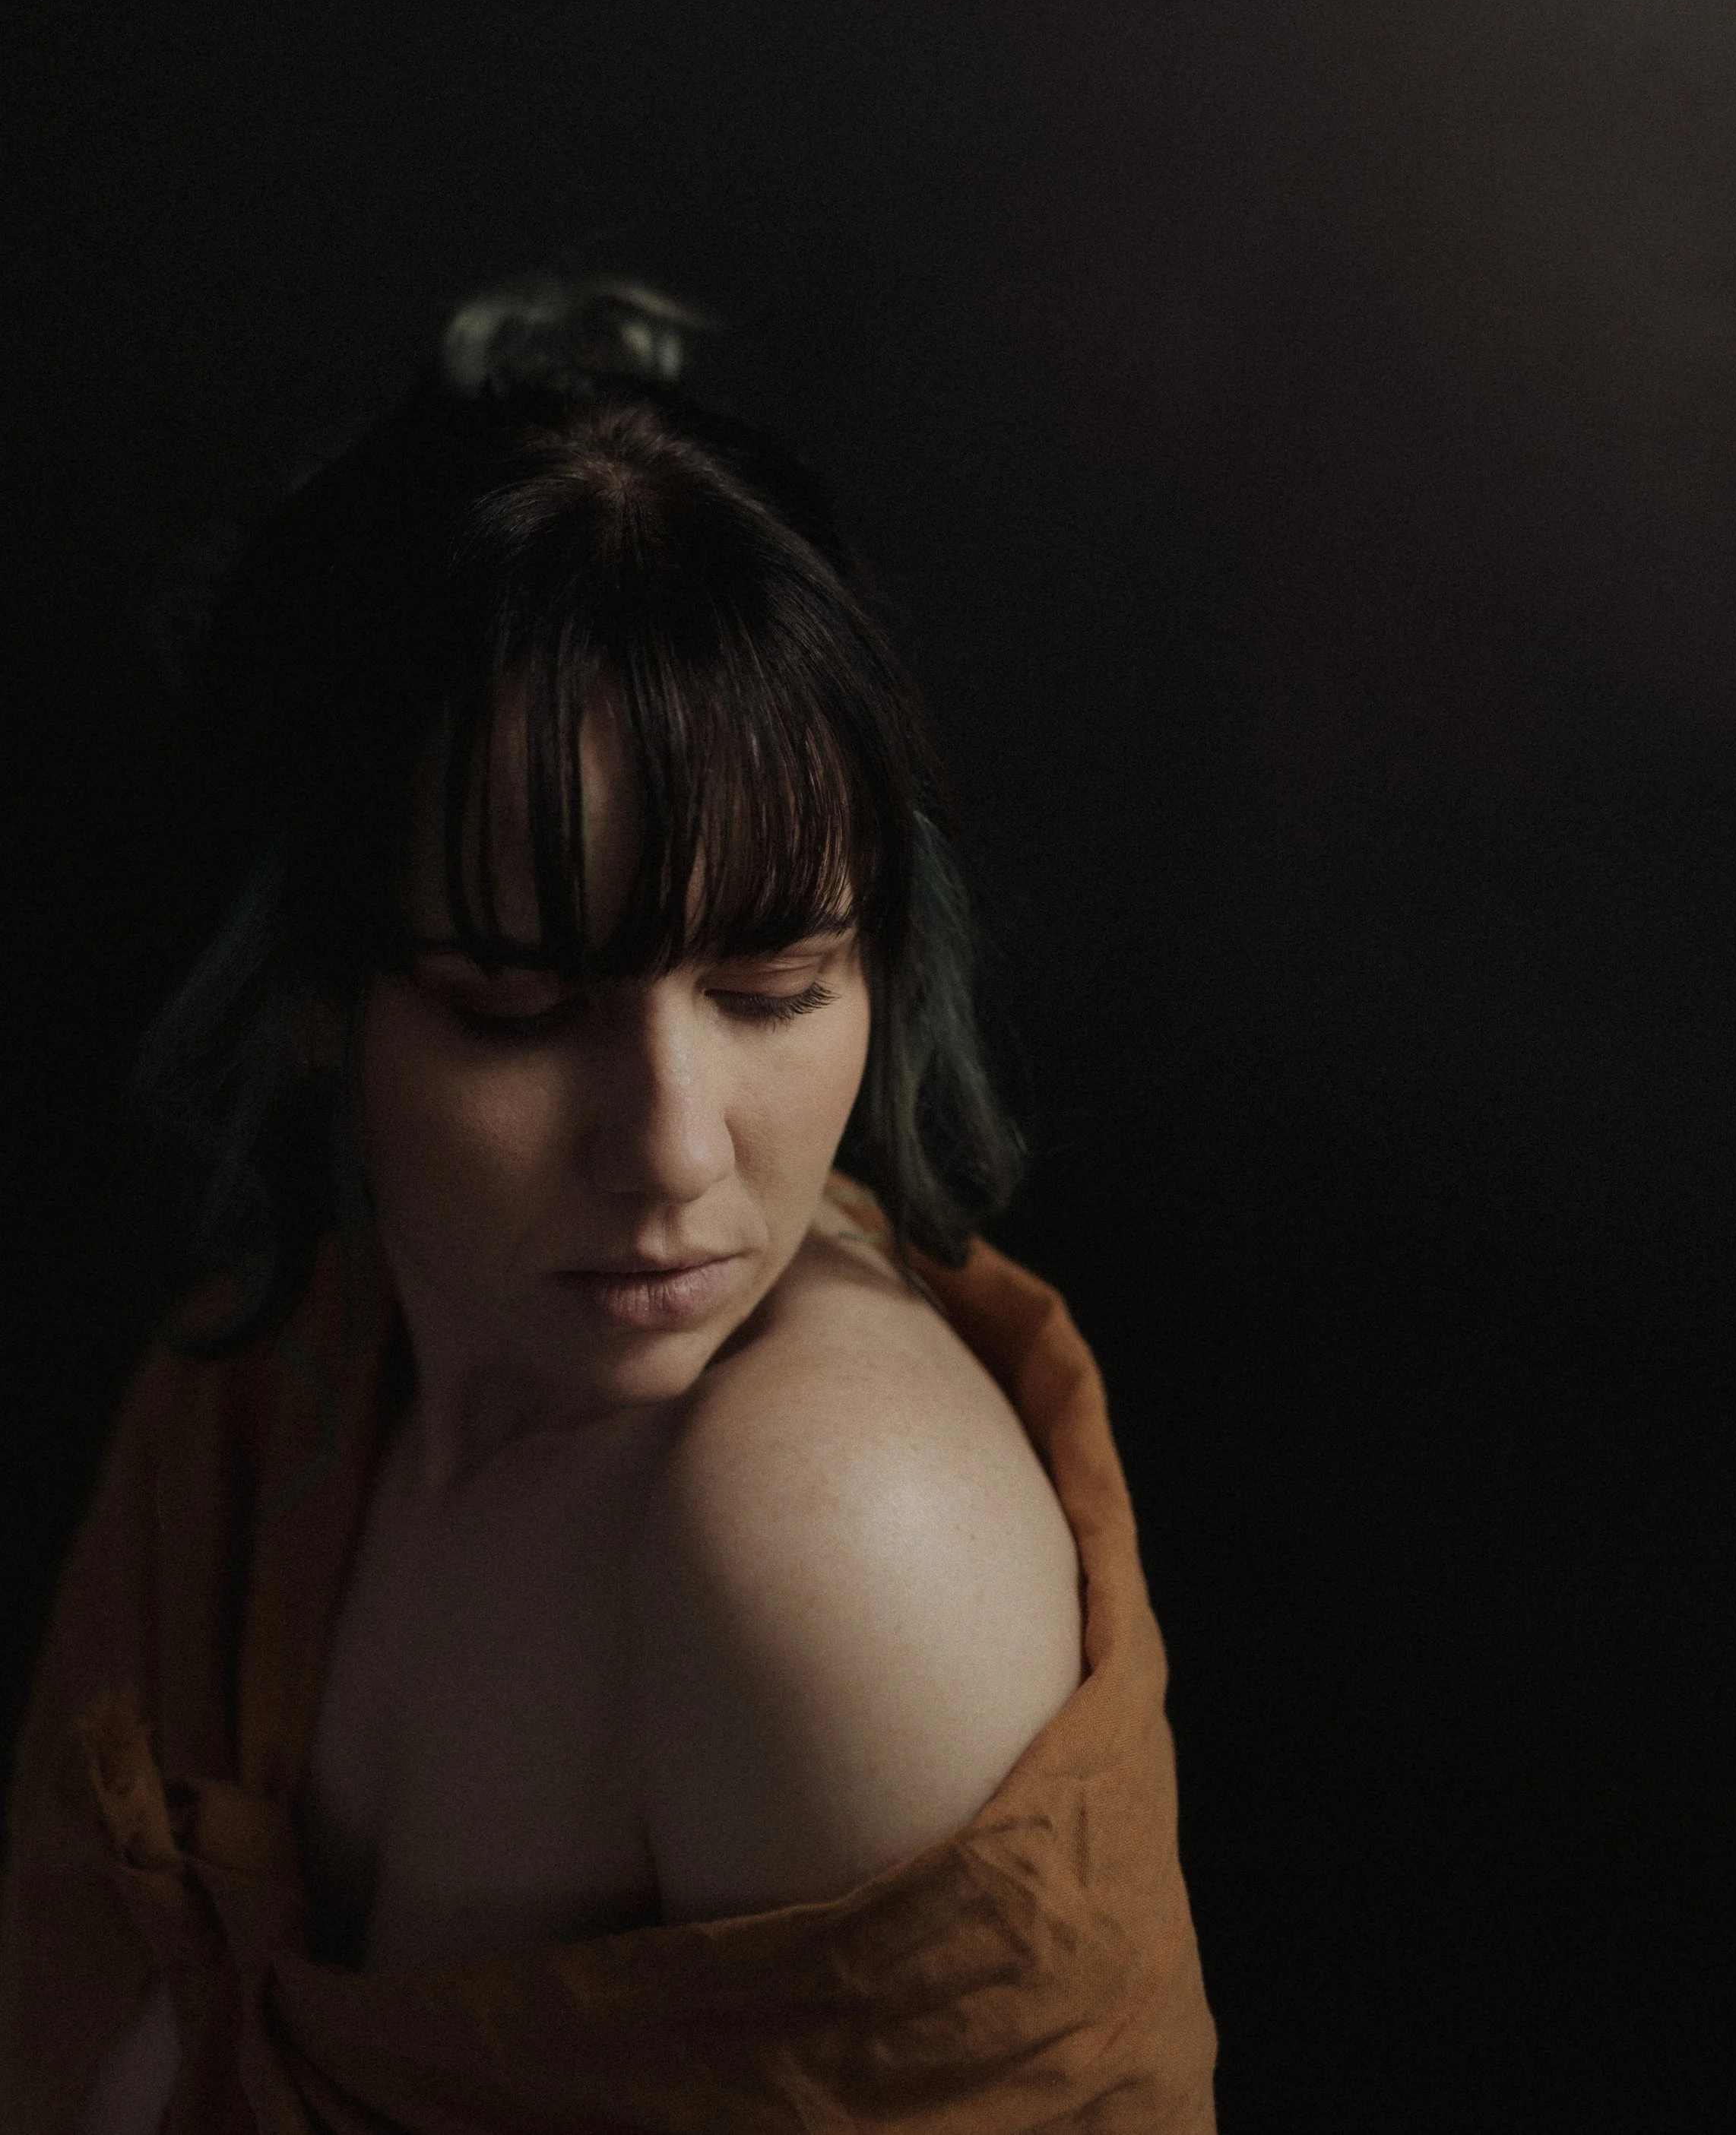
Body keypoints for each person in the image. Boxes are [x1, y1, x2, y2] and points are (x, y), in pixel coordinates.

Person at [0, 277, 1218, 2131]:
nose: (669, 1150)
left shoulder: (831, 1541)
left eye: (772, 988)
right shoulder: (286, 1364)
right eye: (513, 1007)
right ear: (319, 989)